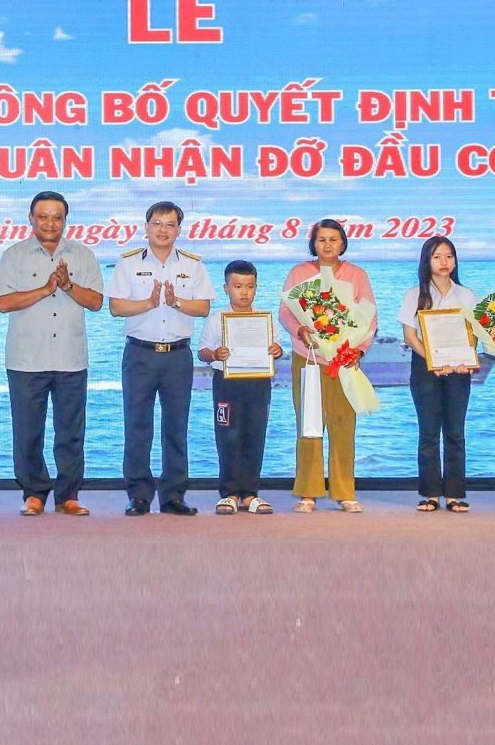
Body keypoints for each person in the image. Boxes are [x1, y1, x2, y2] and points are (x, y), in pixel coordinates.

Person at [0, 191, 104, 517]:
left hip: (71, 357)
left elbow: (96, 302)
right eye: (43, 216)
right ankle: (34, 493)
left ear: (65, 220)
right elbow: (4, 302)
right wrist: (45, 289)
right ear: (31, 218)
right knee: (27, 432)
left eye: (57, 217)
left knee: (71, 432)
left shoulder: (83, 255)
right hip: (26, 358)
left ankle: (68, 495)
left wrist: (68, 285)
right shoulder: (14, 255)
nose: (50, 223)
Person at [107, 201, 213, 517]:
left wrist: (175, 301)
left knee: (176, 428)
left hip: (177, 357)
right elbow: (116, 307)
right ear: (146, 227)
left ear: (178, 230)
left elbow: (203, 307)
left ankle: (173, 496)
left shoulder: (193, 265)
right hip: (140, 354)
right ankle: (139, 495)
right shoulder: (128, 263)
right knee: (137, 426)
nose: (163, 230)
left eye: (169, 224)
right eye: (157, 223)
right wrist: (149, 303)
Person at [278, 219, 377, 514]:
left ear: (343, 242)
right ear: (313, 243)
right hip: (307, 358)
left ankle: (344, 491)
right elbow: (285, 311)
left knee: (343, 425)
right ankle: (308, 492)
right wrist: (300, 330)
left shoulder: (357, 275)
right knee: (309, 424)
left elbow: (369, 316)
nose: (328, 245)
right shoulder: (299, 273)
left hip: (344, 360)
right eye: (321, 239)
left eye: (333, 239)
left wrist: (358, 349)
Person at [197, 260, 284, 515]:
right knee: (227, 436)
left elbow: (277, 349)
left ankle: (250, 494)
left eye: (250, 286)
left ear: (256, 287)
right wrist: (216, 353)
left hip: (258, 383)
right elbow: (202, 352)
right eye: (237, 286)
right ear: (226, 288)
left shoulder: (265, 320)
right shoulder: (216, 319)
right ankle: (229, 493)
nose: (244, 292)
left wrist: (276, 351)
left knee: (255, 435)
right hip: (226, 384)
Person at [399, 236, 477, 514]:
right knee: (429, 433)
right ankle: (430, 494)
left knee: (455, 432)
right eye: (437, 257)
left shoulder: (466, 295)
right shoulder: (414, 294)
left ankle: (454, 494)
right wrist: (433, 360)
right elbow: (409, 336)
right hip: (425, 368)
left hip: (458, 369)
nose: (444, 262)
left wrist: (466, 358)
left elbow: (474, 334)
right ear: (427, 261)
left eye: (449, 256)